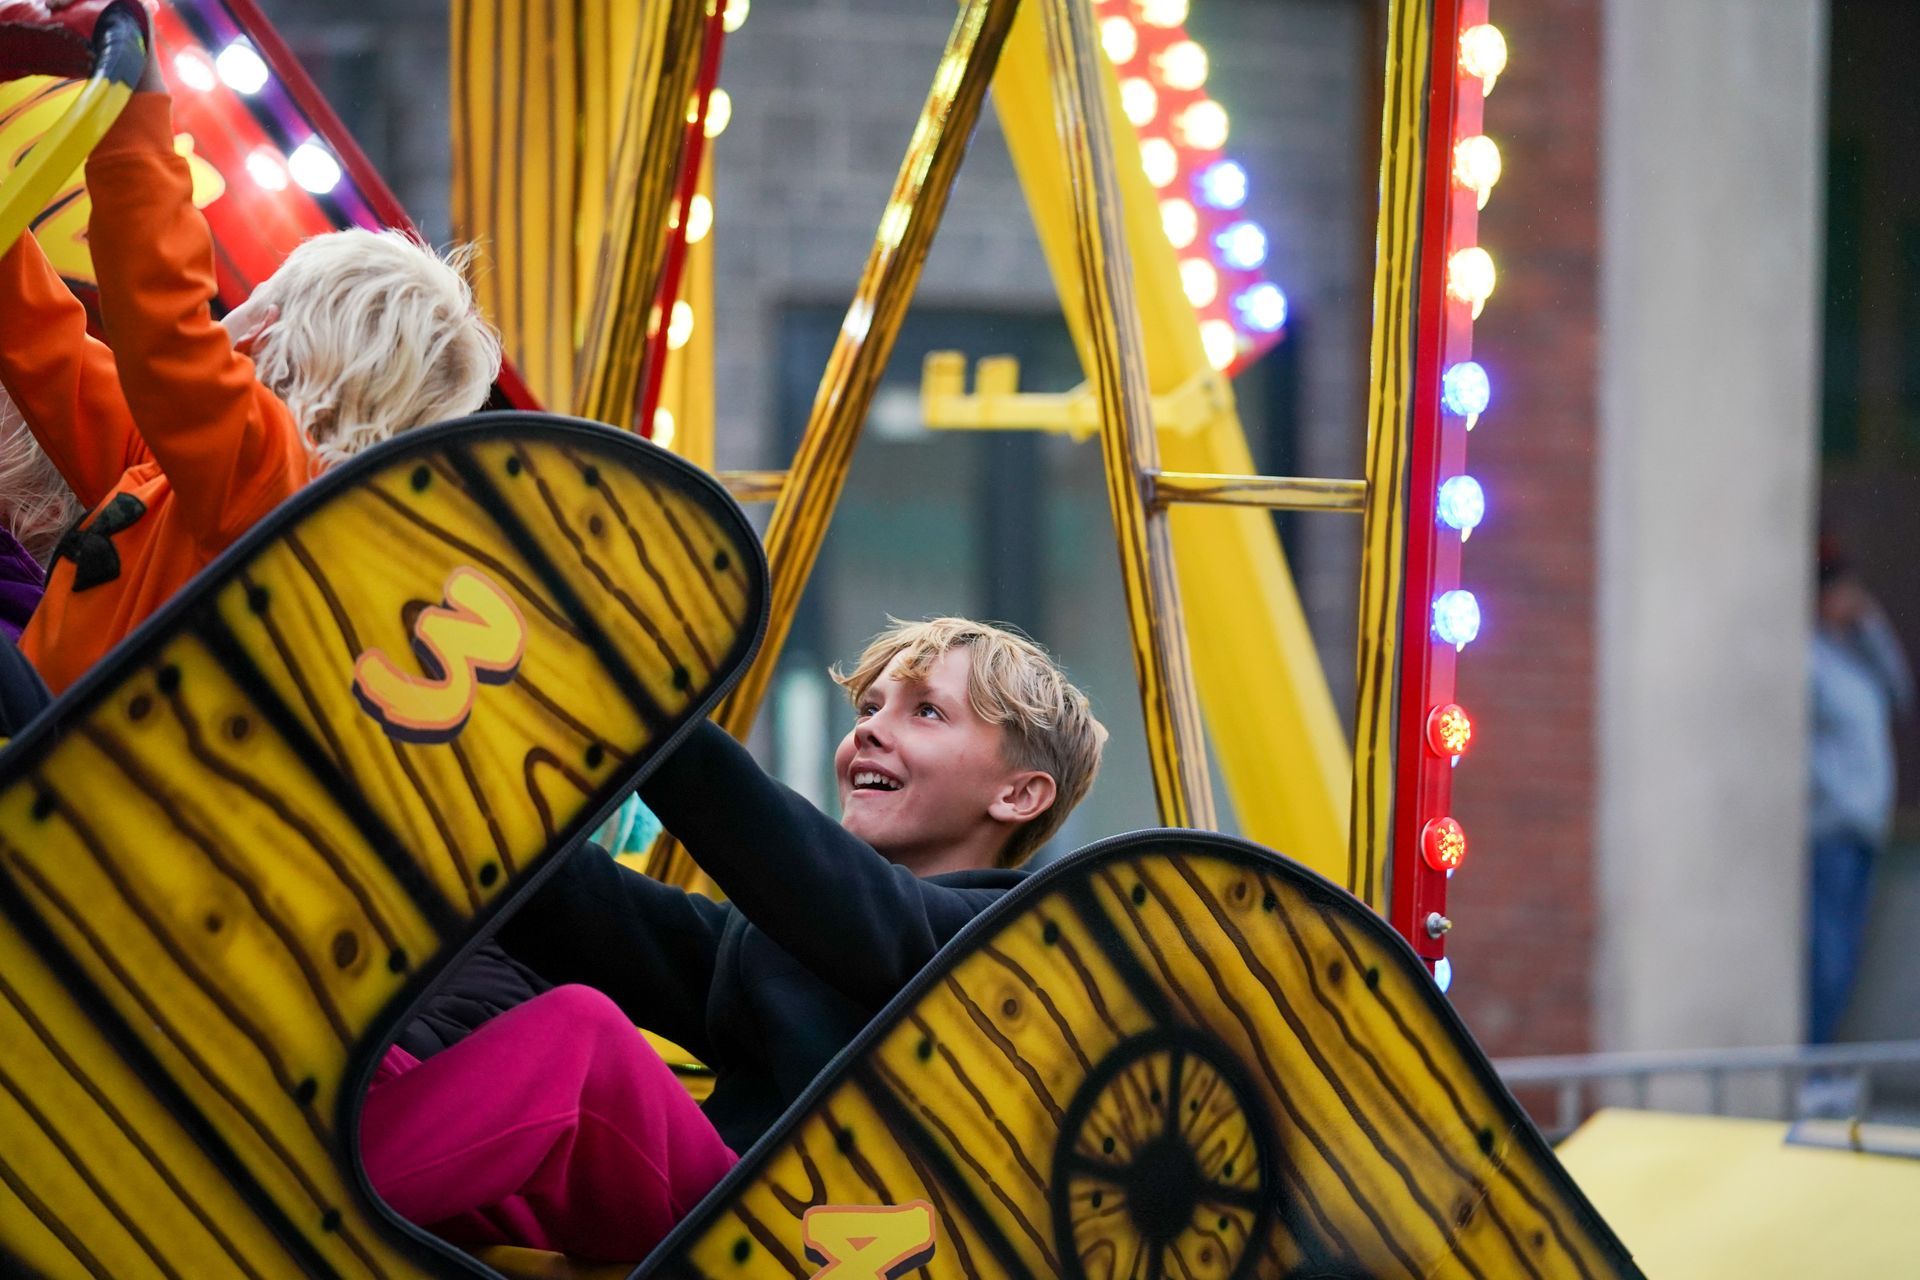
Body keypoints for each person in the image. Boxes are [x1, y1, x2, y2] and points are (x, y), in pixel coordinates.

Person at [360, 618, 1107, 1261]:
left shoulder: (1008, 946)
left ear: (1018, 794)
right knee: (392, 1069)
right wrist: (452, 808)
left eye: (927, 713)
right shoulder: (781, 938)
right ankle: (298, 1160)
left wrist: (651, 711)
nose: (871, 728)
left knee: (582, 1041)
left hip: (796, 1243)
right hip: (716, 1221)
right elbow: (597, 914)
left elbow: (829, 893)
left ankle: (307, 1193)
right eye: (870, 707)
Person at [0, 4, 501, 694]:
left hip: (70, 781)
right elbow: (43, 342)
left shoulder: (275, 489)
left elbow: (164, 329)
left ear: (266, 331)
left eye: (250, 296)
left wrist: (136, 99)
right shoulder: (179, 474)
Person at [1807, 537, 1913, 1049]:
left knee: (1844, 958)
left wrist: (1871, 625)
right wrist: (1828, 796)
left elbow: (1900, 693)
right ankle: (1809, 1065)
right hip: (1831, 828)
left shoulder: (1853, 658)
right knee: (1825, 961)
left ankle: (1819, 1065)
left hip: (1864, 827)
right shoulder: (1810, 659)